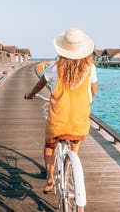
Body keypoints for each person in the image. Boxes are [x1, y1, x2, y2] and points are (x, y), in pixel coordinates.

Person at [24, 27, 98, 194]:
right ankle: (71, 166)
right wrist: (89, 100)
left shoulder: (55, 67)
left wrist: (31, 94)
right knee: (74, 143)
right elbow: (93, 91)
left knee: (50, 146)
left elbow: (40, 84)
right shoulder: (90, 68)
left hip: (58, 120)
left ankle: (50, 178)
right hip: (79, 120)